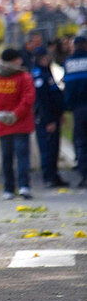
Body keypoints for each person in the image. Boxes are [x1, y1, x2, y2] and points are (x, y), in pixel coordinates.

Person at [0, 48, 36, 200]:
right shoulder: (24, 77)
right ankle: (24, 186)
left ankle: (8, 189)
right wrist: (16, 114)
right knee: (22, 156)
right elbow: (28, 99)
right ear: (14, 60)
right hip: (21, 124)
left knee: (6, 158)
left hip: (2, 125)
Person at [32, 46, 67, 188]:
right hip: (46, 119)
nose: (46, 60)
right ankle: (49, 177)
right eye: (44, 58)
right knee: (47, 149)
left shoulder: (46, 72)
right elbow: (43, 102)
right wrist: (49, 121)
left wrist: (60, 114)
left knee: (54, 149)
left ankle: (54, 175)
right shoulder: (39, 75)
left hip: (54, 116)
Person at [62, 35, 87, 188]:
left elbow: (68, 88)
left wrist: (68, 107)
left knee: (82, 143)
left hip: (78, 109)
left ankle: (85, 175)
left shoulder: (69, 63)